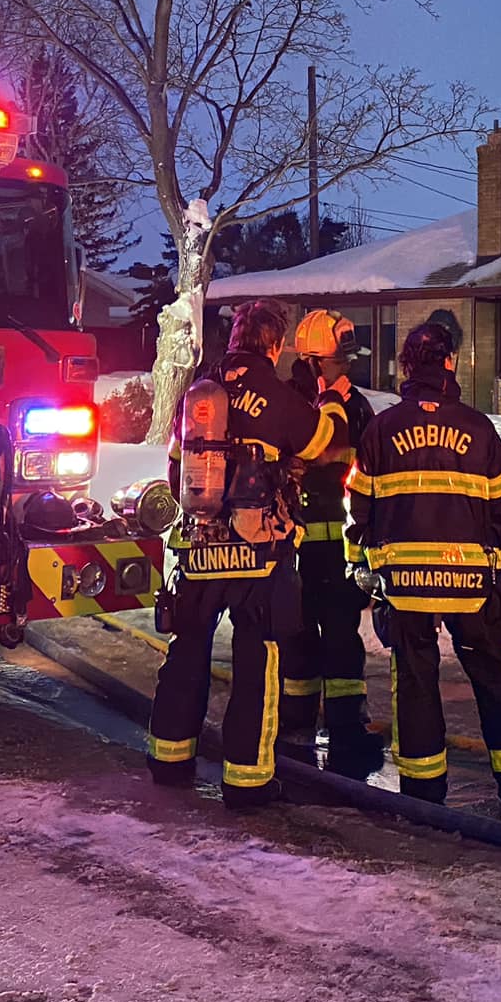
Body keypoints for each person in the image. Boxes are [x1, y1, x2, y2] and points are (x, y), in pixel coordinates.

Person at [146, 300, 348, 808]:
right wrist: (332, 397)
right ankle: (247, 780)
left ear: (234, 338)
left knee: (187, 648)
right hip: (257, 554)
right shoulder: (276, 396)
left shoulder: (199, 394)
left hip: (199, 545)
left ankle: (169, 759)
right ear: (274, 345)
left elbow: (175, 468)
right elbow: (323, 443)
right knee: (256, 658)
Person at [346, 322, 501, 813]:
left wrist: (362, 563)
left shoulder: (382, 429)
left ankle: (423, 790)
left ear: (406, 366)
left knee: (415, 678)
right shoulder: (478, 428)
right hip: (471, 581)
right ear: (450, 363)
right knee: (492, 670)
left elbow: (359, 504)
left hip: (405, 583)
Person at [279, 310, 383, 776]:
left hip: (336, 546)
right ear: (315, 361)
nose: (348, 368)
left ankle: (344, 727)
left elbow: (359, 468)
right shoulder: (294, 404)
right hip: (302, 546)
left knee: (340, 638)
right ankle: (298, 722)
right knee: (298, 635)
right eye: (340, 361)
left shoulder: (354, 407)